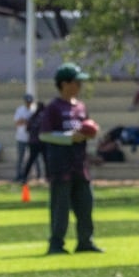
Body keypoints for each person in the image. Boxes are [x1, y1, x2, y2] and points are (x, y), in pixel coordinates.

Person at [40, 62, 101, 254]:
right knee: (61, 207)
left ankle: (85, 241)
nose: (80, 86)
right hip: (61, 164)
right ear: (64, 84)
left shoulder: (81, 107)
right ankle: (56, 243)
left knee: (85, 204)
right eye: (76, 82)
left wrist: (89, 133)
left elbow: (84, 128)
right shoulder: (53, 108)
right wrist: (68, 138)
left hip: (79, 164)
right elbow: (44, 134)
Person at [13, 92, 39, 182]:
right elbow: (17, 122)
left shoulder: (34, 110)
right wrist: (27, 121)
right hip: (21, 137)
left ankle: (38, 176)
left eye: (30, 101)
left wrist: (26, 121)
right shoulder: (20, 110)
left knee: (35, 158)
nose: (28, 103)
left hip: (32, 138)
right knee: (20, 158)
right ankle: (18, 176)